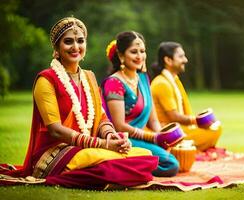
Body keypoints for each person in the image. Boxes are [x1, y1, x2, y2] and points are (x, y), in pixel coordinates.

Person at [0, 17, 158, 189]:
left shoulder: (89, 77)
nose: (76, 47)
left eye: (80, 41)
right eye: (68, 42)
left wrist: (111, 135)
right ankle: (106, 174)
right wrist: (104, 144)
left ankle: (105, 175)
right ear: (57, 48)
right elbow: (55, 130)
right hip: (56, 153)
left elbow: (102, 118)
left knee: (145, 155)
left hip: (88, 149)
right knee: (111, 165)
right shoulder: (46, 79)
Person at [101, 31, 179, 177]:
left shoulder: (143, 78)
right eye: (134, 52)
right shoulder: (114, 83)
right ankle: (120, 164)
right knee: (170, 164)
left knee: (172, 158)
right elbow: (119, 126)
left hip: (141, 138)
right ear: (121, 55)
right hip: (122, 140)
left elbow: (153, 120)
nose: (139, 56)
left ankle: (129, 165)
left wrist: (162, 137)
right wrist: (153, 138)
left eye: (142, 51)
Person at [150, 42, 222, 152]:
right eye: (180, 56)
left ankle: (187, 148)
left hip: (179, 128)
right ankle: (182, 150)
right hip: (169, 133)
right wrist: (197, 121)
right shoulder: (162, 83)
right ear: (168, 60)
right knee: (215, 130)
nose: (185, 60)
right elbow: (174, 116)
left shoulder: (173, 80)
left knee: (215, 127)